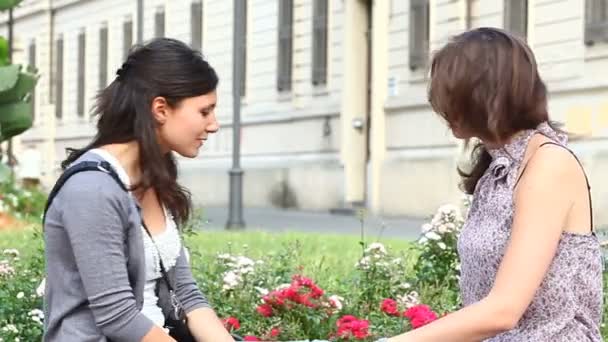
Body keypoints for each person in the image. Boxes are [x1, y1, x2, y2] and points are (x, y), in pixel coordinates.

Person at [383, 27, 603, 341]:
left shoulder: (547, 165)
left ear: (485, 95)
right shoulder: (499, 167)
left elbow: (503, 310)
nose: (440, 105)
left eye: (450, 93)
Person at [43, 38, 234, 342]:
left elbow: (185, 291)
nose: (214, 125)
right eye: (204, 111)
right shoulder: (91, 190)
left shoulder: (154, 176)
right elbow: (117, 317)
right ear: (160, 109)